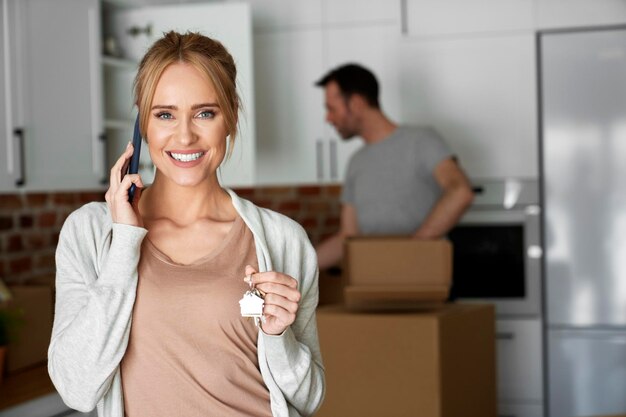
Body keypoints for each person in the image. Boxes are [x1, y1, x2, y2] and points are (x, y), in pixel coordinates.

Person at [48, 31, 324, 417]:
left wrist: (277, 336)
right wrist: (125, 243)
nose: (184, 135)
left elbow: (309, 398)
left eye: (204, 113)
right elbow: (75, 388)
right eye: (164, 114)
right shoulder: (92, 233)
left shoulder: (282, 240)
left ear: (230, 117)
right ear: (142, 125)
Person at [315, 63, 474, 270]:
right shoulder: (357, 162)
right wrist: (296, 270)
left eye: (331, 108)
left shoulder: (422, 141)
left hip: (426, 282)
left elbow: (461, 192)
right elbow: (347, 236)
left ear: (356, 103)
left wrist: (410, 252)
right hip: (373, 283)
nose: (328, 118)